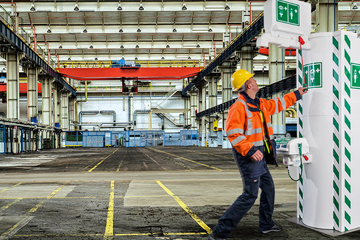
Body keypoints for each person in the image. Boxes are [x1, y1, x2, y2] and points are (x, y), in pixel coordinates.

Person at [208, 69, 307, 240]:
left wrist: (297, 94)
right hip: (250, 157)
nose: (255, 81)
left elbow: (278, 104)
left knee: (268, 188)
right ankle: (219, 232)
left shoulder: (259, 103)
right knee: (249, 195)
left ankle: (266, 224)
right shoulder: (239, 107)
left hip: (259, 156)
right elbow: (233, 133)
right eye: (252, 79)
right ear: (248, 85)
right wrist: (250, 150)